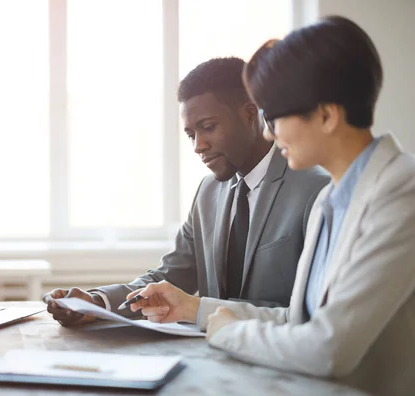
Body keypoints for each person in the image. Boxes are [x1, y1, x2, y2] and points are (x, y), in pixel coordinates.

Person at [126, 16, 415, 396]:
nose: (268, 132)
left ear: (327, 115)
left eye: (275, 116)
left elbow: (329, 347)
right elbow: (298, 322)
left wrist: (231, 332)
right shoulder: (332, 199)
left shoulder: (402, 191)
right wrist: (197, 309)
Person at [44, 57, 329, 326]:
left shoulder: (315, 190)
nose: (198, 146)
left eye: (208, 128)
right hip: (212, 355)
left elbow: (311, 315)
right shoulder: (208, 192)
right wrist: (97, 304)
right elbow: (172, 276)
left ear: (249, 114)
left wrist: (198, 310)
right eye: (191, 134)